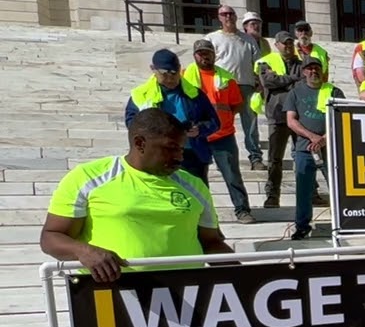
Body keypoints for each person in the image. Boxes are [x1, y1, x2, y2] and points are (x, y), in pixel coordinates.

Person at [40, 109, 232, 282]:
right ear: (140, 143)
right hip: (113, 297)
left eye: (181, 149)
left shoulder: (194, 185)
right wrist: (84, 251)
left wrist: (249, 282)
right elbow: (51, 237)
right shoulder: (88, 177)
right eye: (170, 148)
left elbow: (211, 242)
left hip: (189, 296)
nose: (179, 157)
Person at [184, 39, 255, 223]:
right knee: (198, 178)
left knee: (232, 175)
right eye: (200, 53)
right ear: (195, 56)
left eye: (207, 52)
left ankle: (242, 210)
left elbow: (237, 103)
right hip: (197, 136)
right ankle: (203, 213)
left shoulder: (226, 77)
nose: (204, 56)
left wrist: (225, 118)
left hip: (223, 135)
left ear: (214, 54)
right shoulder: (185, 76)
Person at [124, 49, 219, 185]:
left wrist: (200, 129)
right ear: (153, 69)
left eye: (174, 74)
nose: (170, 79)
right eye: (164, 74)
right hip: (157, 154)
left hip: (191, 154)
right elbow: (131, 123)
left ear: (180, 69)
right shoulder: (141, 95)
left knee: (197, 194)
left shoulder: (194, 93)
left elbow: (214, 121)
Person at [285, 56, 345, 240]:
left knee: (337, 188)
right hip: (305, 148)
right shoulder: (295, 92)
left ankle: (341, 222)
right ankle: (302, 226)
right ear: (304, 72)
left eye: (316, 68)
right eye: (309, 68)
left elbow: (342, 118)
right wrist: (313, 137)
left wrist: (324, 139)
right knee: (304, 190)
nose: (313, 71)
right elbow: (291, 120)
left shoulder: (334, 91)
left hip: (331, 148)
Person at [204, 5, 263, 170]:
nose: (228, 17)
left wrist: (260, 83)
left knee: (250, 123)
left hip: (246, 85)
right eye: (224, 14)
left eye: (230, 13)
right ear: (219, 18)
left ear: (236, 17)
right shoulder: (211, 38)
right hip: (223, 86)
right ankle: (216, 156)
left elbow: (258, 64)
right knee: (219, 122)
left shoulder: (248, 39)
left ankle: (255, 157)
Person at [255, 31, 303, 209]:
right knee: (275, 159)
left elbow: (303, 83)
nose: (288, 46)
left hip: (299, 116)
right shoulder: (266, 61)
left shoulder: (301, 63)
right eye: (284, 43)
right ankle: (272, 195)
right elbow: (268, 81)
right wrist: (291, 79)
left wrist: (281, 80)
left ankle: (310, 192)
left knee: (303, 157)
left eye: (290, 43)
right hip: (277, 115)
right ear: (277, 45)